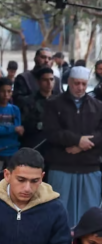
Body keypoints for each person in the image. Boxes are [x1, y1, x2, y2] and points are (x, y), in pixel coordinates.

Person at [42, 65, 102, 229]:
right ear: (69, 82)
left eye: (83, 84)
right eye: (76, 83)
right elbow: (51, 133)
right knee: (60, 217)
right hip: (62, 167)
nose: (80, 87)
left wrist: (81, 146)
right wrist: (77, 140)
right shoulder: (54, 104)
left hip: (89, 168)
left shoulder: (98, 106)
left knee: (90, 219)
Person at [18, 65, 59, 152]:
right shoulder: (28, 102)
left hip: (55, 147)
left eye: (51, 79)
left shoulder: (60, 101)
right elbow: (26, 125)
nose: (49, 83)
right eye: (45, 80)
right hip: (35, 145)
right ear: (38, 82)